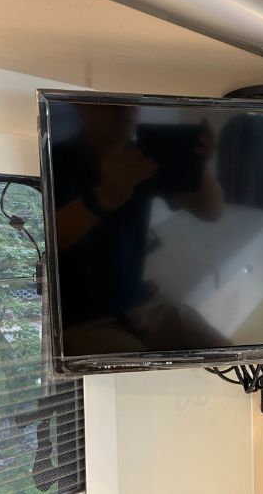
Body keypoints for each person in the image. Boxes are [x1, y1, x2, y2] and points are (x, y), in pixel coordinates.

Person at [51, 103, 229, 355]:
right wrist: (106, 195)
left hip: (141, 298)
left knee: (229, 358)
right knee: (145, 376)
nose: (126, 108)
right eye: (110, 102)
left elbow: (211, 211)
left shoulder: (143, 158)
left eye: (130, 102)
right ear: (80, 106)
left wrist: (199, 164)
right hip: (79, 316)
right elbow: (47, 241)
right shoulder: (54, 161)